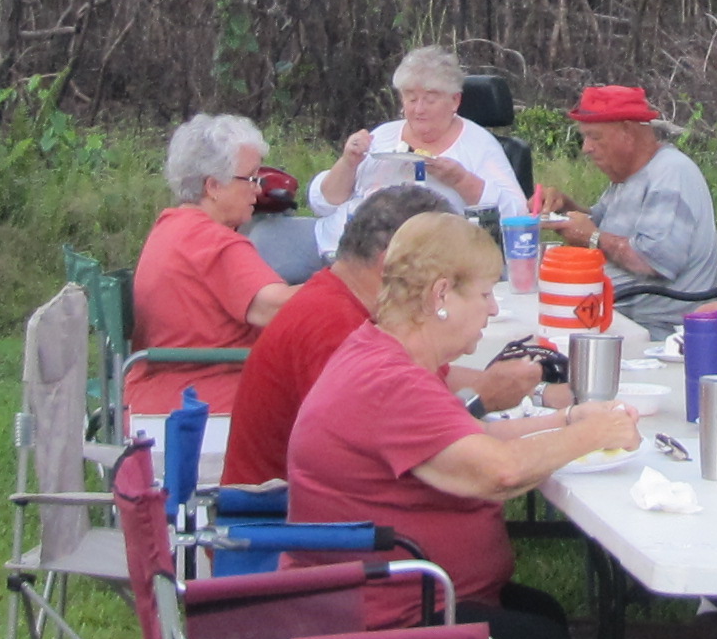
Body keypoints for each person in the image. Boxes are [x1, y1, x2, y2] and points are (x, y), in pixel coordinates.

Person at [288, 211, 640, 639]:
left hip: (393, 590)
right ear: (441, 294)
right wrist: (594, 434)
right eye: (484, 293)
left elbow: (469, 438)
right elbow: (496, 473)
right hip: (377, 616)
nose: (494, 309)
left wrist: (569, 418)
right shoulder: (387, 380)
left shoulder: (389, 356)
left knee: (538, 618)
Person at [224, 183, 547, 489]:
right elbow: (388, 441)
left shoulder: (341, 301)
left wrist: (535, 393)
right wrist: (483, 399)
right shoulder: (332, 327)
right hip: (284, 521)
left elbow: (431, 379)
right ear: (391, 264)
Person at [129, 115, 295, 419]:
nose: (259, 191)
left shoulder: (172, 225)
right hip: (205, 398)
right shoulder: (212, 243)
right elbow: (277, 309)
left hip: (161, 391)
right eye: (252, 178)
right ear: (214, 186)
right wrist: (354, 280)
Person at [531, 83, 717, 333]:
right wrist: (564, 209)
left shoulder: (670, 175)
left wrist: (591, 237)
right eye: (584, 137)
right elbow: (600, 221)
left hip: (654, 326)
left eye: (594, 137)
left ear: (628, 132)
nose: (586, 148)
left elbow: (654, 260)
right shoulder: (631, 175)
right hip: (612, 310)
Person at [306, 44, 526, 253]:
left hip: (418, 259)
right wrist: (349, 162)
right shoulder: (383, 136)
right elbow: (323, 205)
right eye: (411, 99)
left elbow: (517, 216)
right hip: (337, 242)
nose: (418, 109)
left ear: (454, 100)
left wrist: (461, 180)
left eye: (430, 100)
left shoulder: (479, 144)